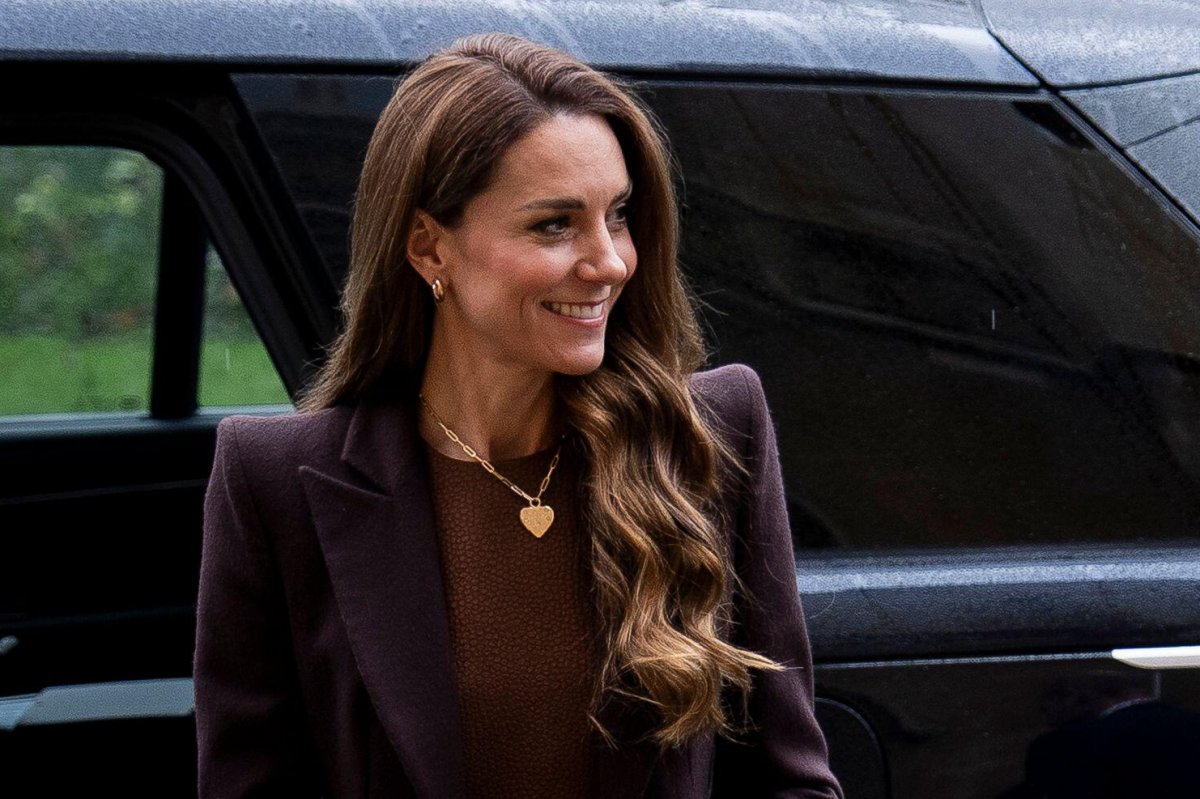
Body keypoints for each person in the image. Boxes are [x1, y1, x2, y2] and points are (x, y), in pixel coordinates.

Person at [193, 31, 842, 799]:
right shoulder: (277, 482)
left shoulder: (708, 435)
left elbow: (788, 780)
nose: (609, 262)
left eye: (620, 214)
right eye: (554, 224)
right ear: (429, 248)